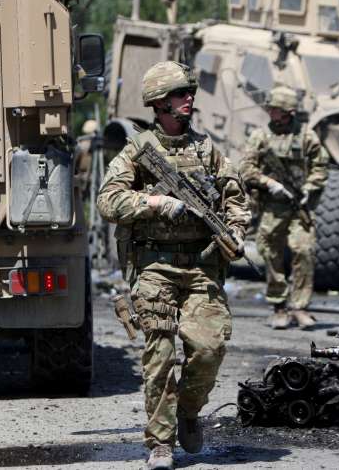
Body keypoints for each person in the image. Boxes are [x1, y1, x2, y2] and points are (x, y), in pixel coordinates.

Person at [97, 61, 250, 470]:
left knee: (209, 348)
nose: (189, 99)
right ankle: (160, 442)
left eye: (189, 93)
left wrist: (235, 230)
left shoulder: (207, 150)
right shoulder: (137, 150)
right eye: (181, 94)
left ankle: (187, 411)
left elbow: (235, 197)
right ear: (160, 103)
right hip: (154, 267)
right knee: (159, 353)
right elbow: (108, 201)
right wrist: (153, 202)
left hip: (201, 267)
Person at [240, 85, 328, 330]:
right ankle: (279, 305)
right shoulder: (261, 136)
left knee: (304, 250)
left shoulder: (307, 136)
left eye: (275, 109)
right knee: (269, 251)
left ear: (288, 111)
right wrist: (268, 183)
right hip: (272, 205)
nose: (270, 112)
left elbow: (321, 166)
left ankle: (299, 307)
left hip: (299, 206)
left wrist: (310, 187)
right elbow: (246, 168)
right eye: (270, 108)